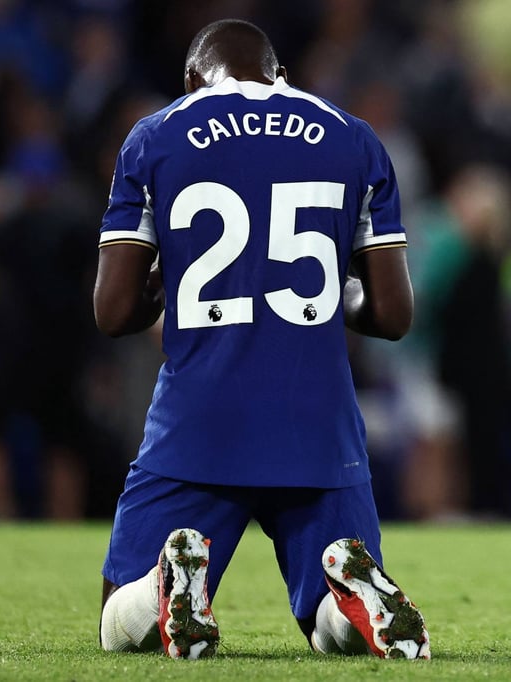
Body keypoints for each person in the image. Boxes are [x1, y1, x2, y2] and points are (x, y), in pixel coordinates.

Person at [93, 19, 429, 660]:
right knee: (329, 623)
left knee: (120, 614)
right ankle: (351, 604)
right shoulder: (352, 137)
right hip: (318, 424)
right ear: (281, 76)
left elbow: (113, 311)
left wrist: (179, 270)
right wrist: (331, 286)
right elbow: (391, 314)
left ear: (192, 81)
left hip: (201, 419)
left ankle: (165, 584)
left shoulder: (158, 135)